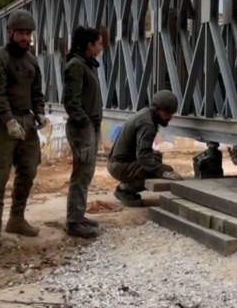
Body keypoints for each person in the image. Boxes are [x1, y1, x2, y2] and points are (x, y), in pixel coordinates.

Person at [0, 9, 46, 248]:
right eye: (20, 32)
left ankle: (17, 218)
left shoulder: (31, 61)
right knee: (0, 175)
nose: (25, 38)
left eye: (28, 33)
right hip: (2, 124)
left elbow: (36, 92)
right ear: (10, 33)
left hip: (27, 124)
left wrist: (39, 111)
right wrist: (9, 122)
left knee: (29, 171)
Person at [62, 26, 104, 239]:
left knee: (85, 173)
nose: (101, 47)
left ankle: (78, 215)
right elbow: (71, 102)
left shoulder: (85, 66)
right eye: (99, 43)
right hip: (83, 129)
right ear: (89, 45)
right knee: (81, 173)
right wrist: (85, 124)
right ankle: (73, 221)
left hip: (89, 127)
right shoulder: (76, 67)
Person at [107, 89, 183, 207]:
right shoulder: (147, 125)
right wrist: (164, 171)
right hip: (119, 166)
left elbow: (140, 150)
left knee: (155, 159)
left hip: (119, 163)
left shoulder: (146, 114)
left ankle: (125, 187)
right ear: (158, 110)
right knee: (156, 169)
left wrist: (153, 154)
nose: (170, 117)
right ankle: (124, 191)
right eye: (168, 113)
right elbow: (143, 157)